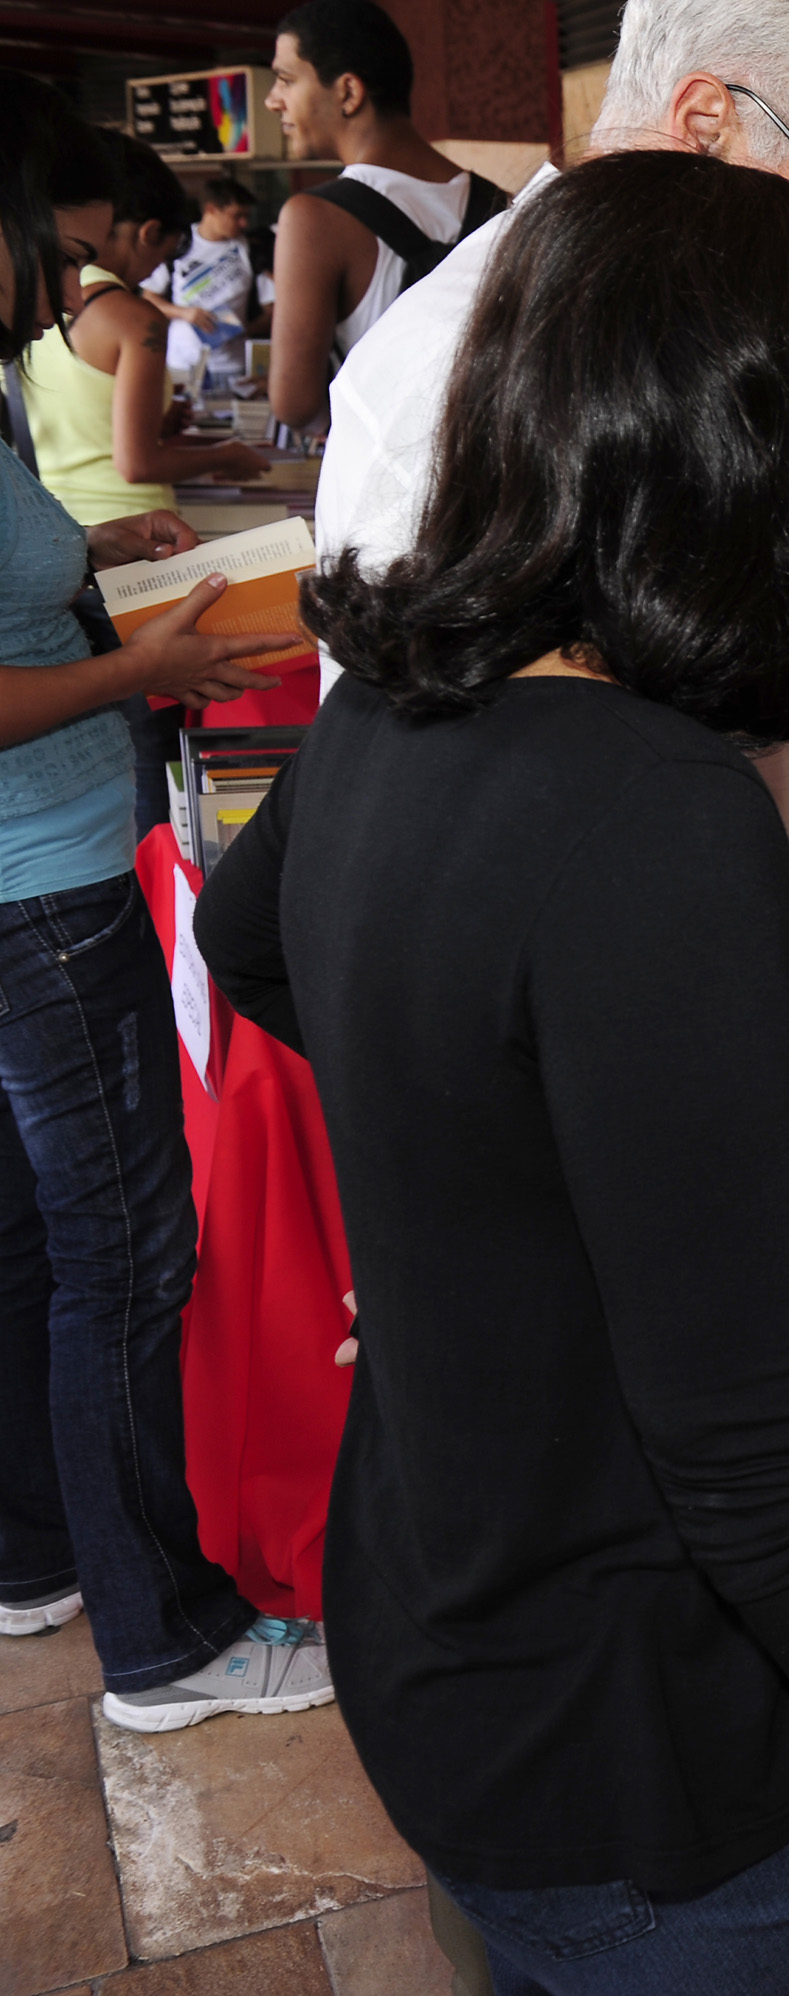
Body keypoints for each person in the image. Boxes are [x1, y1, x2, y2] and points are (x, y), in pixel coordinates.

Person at [192, 151, 789, 1996]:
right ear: (772, 448)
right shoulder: (646, 822)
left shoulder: (408, 710)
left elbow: (258, 947)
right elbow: (755, 1438)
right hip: (678, 1757)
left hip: (462, 1632)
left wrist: (483, 1176)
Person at [312, 0, 789, 1015]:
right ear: (706, 122)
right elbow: (518, 835)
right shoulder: (455, 364)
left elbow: (672, 663)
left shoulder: (681, 337)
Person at [0, 70, 316, 1734]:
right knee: (121, 1252)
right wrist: (151, 661)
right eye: (39, 250)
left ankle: (38, 1555)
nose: (60, 292)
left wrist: (119, 596)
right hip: (38, 890)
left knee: (35, 1237)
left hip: (35, 869)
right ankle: (164, 1640)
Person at [263, 0, 507, 433]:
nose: (272, 101)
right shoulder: (501, 204)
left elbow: (294, 404)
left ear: (348, 93)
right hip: (495, 481)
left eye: (285, 80)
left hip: (388, 492)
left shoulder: (314, 218)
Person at [24, 129, 272, 523]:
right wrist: (226, 454)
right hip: (135, 526)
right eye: (165, 254)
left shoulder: (29, 297)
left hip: (53, 519)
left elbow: (79, 424)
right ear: (149, 232)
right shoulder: (137, 319)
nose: (157, 271)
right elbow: (136, 465)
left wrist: (157, 422)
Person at [144, 174, 268, 400]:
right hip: (182, 360)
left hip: (231, 364)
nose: (244, 223)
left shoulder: (252, 249)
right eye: (237, 215)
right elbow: (149, 297)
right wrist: (185, 313)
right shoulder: (178, 244)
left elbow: (274, 307)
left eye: (247, 217)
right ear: (212, 209)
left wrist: (243, 329)